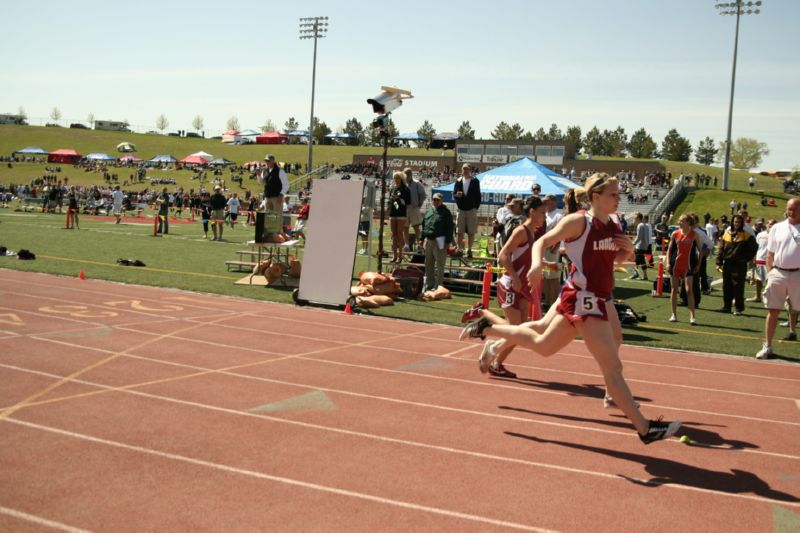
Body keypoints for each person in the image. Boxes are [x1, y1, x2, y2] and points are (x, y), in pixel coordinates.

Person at [460, 173, 681, 444]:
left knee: (544, 345)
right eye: (613, 195)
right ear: (596, 197)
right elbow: (542, 241)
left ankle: (488, 329)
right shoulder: (578, 221)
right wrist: (537, 264)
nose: (618, 199)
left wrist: (627, 253)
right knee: (612, 366)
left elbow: (613, 259)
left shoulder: (612, 223)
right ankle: (645, 428)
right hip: (585, 298)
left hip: (594, 296)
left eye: (618, 194)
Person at [480, 196, 547, 378]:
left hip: (523, 287)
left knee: (521, 330)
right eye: (542, 212)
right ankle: (485, 328)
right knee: (517, 329)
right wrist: (515, 277)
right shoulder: (521, 231)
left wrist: (546, 264)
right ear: (532, 212)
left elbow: (526, 257)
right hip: (511, 285)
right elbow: (503, 255)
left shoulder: (533, 232)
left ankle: (496, 361)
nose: (545, 216)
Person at [756, 198, 800, 359]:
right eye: (789, 208)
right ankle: (767, 346)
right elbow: (770, 253)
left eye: (794, 209)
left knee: (797, 309)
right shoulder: (777, 228)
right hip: (778, 273)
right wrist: (771, 273)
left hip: (798, 274)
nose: (791, 212)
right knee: (773, 310)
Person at [716, 214, 757, 316]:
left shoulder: (746, 235)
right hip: (727, 264)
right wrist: (719, 262)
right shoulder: (727, 234)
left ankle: (739, 308)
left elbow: (754, 248)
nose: (736, 224)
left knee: (737, 287)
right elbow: (721, 249)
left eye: (738, 222)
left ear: (742, 223)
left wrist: (745, 259)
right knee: (726, 286)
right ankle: (727, 306)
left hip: (739, 265)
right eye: (735, 222)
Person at [666, 214, 703, 324]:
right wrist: (668, 263)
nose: (679, 222)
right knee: (674, 289)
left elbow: (700, 251)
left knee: (689, 290)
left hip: (689, 266)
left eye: (682, 221)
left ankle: (692, 316)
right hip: (675, 265)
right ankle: (673, 314)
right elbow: (669, 249)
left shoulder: (694, 235)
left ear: (688, 223)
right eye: (679, 220)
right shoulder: (675, 234)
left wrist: (698, 265)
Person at [421, 193, 454, 292]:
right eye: (434, 199)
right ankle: (429, 284)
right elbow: (424, 225)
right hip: (428, 239)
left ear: (441, 200)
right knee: (428, 264)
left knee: (440, 264)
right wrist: (422, 238)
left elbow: (449, 228)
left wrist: (447, 242)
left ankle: (438, 285)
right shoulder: (429, 210)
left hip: (440, 240)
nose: (435, 201)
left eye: (437, 200)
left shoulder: (446, 212)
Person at [453, 164, 481, 258]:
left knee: (471, 231)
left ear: (470, 170)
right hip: (461, 209)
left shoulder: (475, 181)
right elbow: (454, 194)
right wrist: (458, 195)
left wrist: (475, 207)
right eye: (463, 169)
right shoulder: (458, 181)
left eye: (467, 169)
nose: (465, 171)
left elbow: (478, 196)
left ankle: (469, 250)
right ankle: (459, 249)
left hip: (471, 210)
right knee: (459, 231)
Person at [750, 219, 776, 303]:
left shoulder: (778, 235)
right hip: (760, 259)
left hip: (772, 261)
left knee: (770, 280)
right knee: (758, 280)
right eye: (769, 224)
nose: (770, 225)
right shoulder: (760, 235)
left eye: (772, 224)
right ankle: (757, 297)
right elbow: (757, 247)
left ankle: (770, 298)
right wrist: (754, 258)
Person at [388, 171, 410, 263]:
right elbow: (390, 201)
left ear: (402, 179)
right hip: (393, 213)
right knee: (394, 234)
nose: (396, 180)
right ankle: (394, 256)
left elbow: (408, 202)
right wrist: (392, 199)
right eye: (395, 178)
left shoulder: (405, 189)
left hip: (401, 214)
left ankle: (400, 256)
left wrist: (399, 199)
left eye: (398, 178)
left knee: (400, 233)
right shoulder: (392, 188)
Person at [403, 167, 427, 251]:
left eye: (407, 175)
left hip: (414, 207)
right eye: (405, 174)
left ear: (411, 175)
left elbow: (423, 195)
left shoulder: (417, 183)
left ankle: (419, 245)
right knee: (405, 227)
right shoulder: (403, 183)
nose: (406, 176)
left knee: (416, 227)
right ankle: (406, 245)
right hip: (404, 208)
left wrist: (418, 205)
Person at [631, 213, 651, 281]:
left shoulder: (640, 225)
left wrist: (632, 243)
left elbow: (639, 237)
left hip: (639, 246)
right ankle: (645, 276)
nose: (634, 220)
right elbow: (647, 237)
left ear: (638, 219)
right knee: (642, 261)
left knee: (634, 260)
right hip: (644, 246)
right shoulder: (646, 225)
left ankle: (635, 273)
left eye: (635, 219)